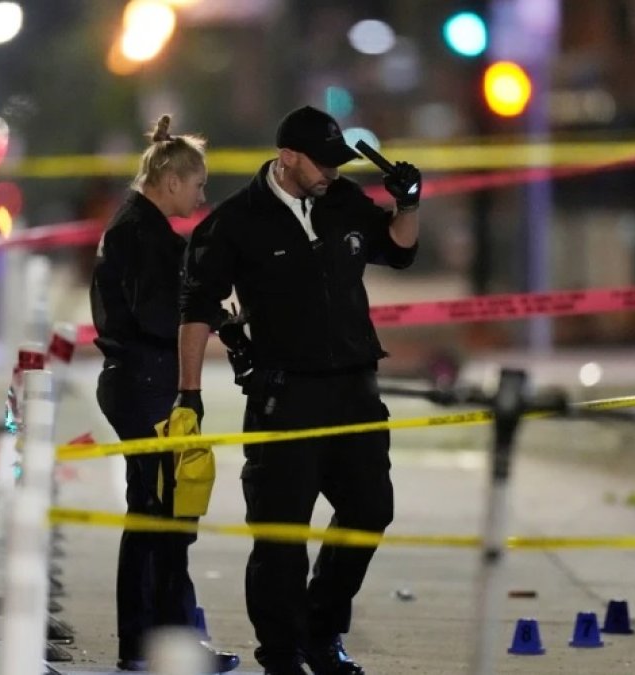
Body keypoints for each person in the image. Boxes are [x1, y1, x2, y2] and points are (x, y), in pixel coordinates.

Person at [172, 105, 422, 675]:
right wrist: (190, 395)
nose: (332, 172)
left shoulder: (343, 200)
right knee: (281, 533)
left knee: (369, 511)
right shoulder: (236, 221)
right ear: (287, 157)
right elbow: (196, 309)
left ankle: (322, 632)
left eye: (338, 163)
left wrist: (407, 202)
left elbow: (399, 251)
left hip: (355, 387)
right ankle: (282, 655)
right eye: (322, 163)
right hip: (286, 394)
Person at [90, 115, 240, 674]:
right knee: (162, 517)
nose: (202, 196)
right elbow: (157, 315)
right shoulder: (141, 233)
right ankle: (159, 645)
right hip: (145, 382)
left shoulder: (137, 227)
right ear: (172, 180)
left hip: (138, 380)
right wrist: (201, 309)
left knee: (161, 514)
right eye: (198, 185)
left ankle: (156, 641)